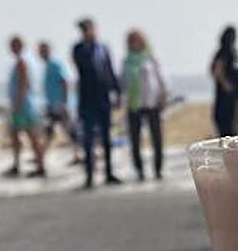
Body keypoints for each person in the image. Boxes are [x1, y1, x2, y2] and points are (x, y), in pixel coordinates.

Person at [71, 17, 122, 188]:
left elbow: (110, 71)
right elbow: (84, 67)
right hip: (87, 100)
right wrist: (89, 46)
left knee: (107, 137)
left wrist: (117, 92)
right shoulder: (79, 49)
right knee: (88, 138)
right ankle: (90, 174)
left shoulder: (103, 48)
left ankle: (109, 172)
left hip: (103, 98)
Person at [121, 29, 168, 181]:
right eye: (131, 40)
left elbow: (161, 79)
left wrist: (164, 96)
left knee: (157, 137)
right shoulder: (127, 61)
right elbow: (123, 82)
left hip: (151, 102)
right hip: (134, 104)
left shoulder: (151, 58)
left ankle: (158, 168)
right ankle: (139, 170)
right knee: (135, 139)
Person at [3, 35, 46, 178]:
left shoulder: (23, 62)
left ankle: (39, 166)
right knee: (18, 135)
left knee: (31, 136)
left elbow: (23, 85)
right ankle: (18, 164)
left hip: (24, 106)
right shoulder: (25, 61)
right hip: (25, 104)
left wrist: (18, 105)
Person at [39, 40, 78, 160]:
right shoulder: (47, 66)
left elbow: (65, 82)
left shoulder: (56, 64)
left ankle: (81, 154)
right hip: (52, 104)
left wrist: (64, 103)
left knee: (69, 130)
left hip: (60, 104)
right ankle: (41, 158)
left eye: (44, 50)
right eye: (41, 51)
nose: (42, 53)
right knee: (50, 131)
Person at [210, 25, 238, 137]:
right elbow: (217, 70)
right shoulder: (224, 51)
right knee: (226, 126)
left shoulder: (233, 52)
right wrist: (226, 84)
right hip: (225, 97)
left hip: (233, 96)